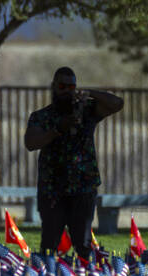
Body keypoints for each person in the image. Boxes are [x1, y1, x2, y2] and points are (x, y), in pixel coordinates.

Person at [24, 67, 124, 262]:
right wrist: (57, 130)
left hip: (83, 187)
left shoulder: (87, 111)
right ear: (54, 87)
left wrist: (89, 93)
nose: (67, 91)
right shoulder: (42, 116)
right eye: (62, 86)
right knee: (50, 242)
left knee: (83, 242)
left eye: (72, 86)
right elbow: (30, 143)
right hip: (53, 188)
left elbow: (117, 104)